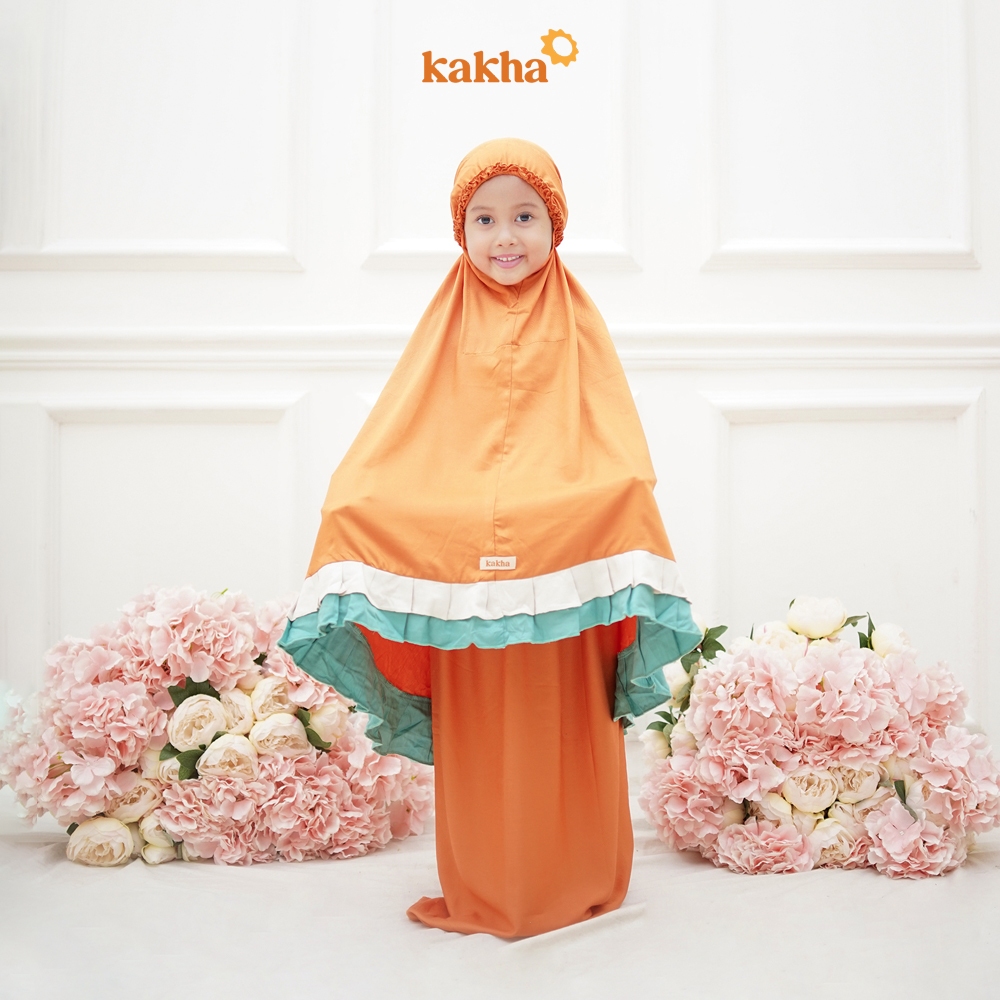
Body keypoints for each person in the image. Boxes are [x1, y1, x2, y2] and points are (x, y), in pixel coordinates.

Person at [280, 137, 700, 937]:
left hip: (565, 581)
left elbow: (612, 449)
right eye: (485, 218)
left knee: (562, 727)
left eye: (525, 216)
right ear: (461, 229)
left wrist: (589, 507)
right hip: (467, 592)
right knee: (485, 736)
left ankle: (578, 876)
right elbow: (401, 443)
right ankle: (488, 883)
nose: (505, 236)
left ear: (555, 224)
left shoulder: (577, 325)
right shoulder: (443, 329)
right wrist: (361, 507)